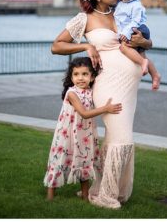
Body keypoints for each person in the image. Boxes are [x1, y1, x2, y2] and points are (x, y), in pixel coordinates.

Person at [51, 0, 161, 209]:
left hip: (129, 87)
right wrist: (86, 46)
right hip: (108, 85)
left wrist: (145, 43)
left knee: (114, 138)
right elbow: (57, 46)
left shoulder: (122, 13)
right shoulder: (84, 19)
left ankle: (102, 189)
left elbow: (145, 43)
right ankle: (106, 197)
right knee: (123, 138)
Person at [44, 57, 122, 201]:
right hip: (67, 133)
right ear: (71, 76)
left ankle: (85, 196)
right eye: (76, 74)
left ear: (92, 77)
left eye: (85, 74)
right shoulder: (72, 93)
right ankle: (50, 196)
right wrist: (106, 108)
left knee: (84, 160)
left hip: (84, 134)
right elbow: (84, 114)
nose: (80, 78)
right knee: (59, 159)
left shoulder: (91, 91)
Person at [113, 0, 152, 76]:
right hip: (131, 28)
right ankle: (154, 74)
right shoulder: (121, 3)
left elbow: (135, 21)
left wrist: (125, 33)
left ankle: (143, 62)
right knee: (140, 52)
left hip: (138, 29)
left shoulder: (136, 6)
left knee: (124, 47)